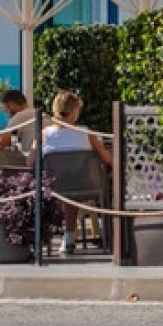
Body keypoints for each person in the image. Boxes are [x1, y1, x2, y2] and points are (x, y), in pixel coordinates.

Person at [37, 90, 112, 253]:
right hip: (85, 186)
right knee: (74, 188)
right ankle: (105, 233)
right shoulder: (86, 133)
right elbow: (107, 158)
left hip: (52, 186)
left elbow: (31, 161)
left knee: (65, 188)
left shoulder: (44, 134)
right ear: (73, 112)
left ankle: (60, 236)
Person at [0, 89, 36, 153]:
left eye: (6, 110)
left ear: (11, 105)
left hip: (36, 160)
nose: (7, 115)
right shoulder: (36, 113)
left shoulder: (19, 116)